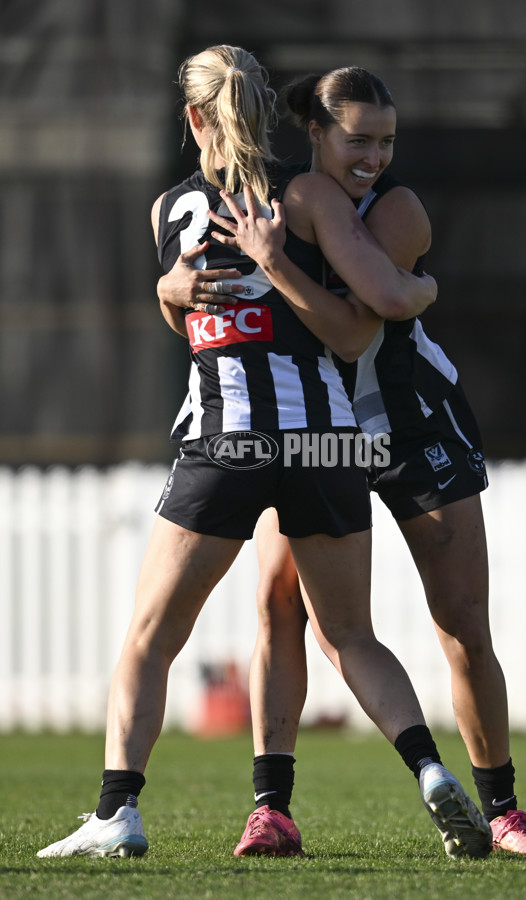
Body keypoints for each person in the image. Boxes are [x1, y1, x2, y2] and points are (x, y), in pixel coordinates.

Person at [37, 45, 492, 861]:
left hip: (226, 441)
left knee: (151, 636)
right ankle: (428, 768)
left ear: (193, 117)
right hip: (324, 442)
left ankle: (117, 814)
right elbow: (360, 327)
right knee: (350, 634)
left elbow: (197, 329)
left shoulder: (169, 207)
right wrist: (392, 284)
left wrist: (168, 293)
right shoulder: (310, 195)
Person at [161, 65, 526, 858]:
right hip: (317, 432)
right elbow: (201, 296)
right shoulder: (278, 205)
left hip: (412, 430)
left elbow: (368, 314)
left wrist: (398, 289)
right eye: (358, 140)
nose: (375, 157)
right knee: (280, 607)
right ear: (314, 133)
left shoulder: (394, 209)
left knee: (462, 624)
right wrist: (171, 284)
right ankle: (271, 808)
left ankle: (505, 810)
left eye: (386, 141)